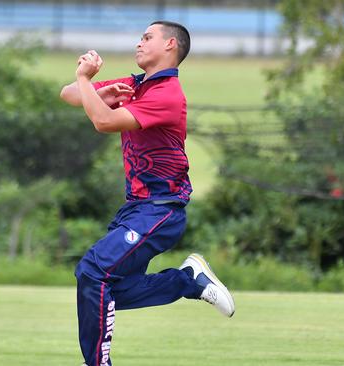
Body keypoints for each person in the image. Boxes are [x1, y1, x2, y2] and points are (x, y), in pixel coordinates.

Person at [59, 20, 235, 366]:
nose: (138, 43)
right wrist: (98, 92)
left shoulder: (166, 94)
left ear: (171, 45)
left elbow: (103, 123)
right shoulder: (136, 85)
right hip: (137, 210)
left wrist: (87, 81)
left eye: (147, 37)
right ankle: (188, 281)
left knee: (92, 272)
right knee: (102, 289)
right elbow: (68, 95)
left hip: (161, 211)